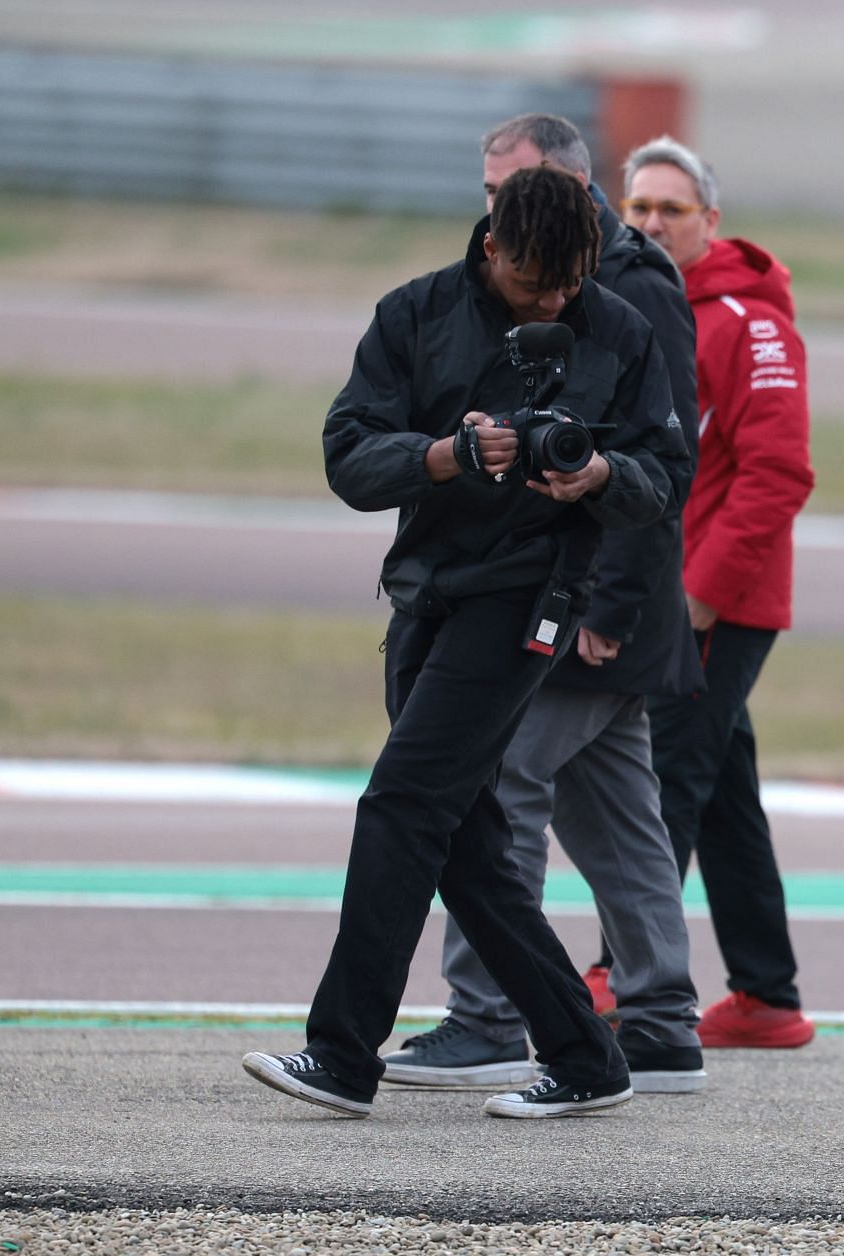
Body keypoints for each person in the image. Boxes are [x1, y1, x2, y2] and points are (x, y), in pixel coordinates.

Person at [241, 165, 692, 1119]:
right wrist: (444, 455)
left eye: (572, 282)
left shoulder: (619, 327)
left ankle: (342, 1055)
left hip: (531, 599)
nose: (556, 299)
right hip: (425, 595)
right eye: (537, 282)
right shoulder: (414, 313)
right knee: (468, 841)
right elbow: (348, 453)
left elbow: (665, 474)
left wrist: (600, 475)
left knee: (401, 805)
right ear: (490, 246)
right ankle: (585, 1056)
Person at [381, 113, 709, 1095]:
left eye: (508, 190)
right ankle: (659, 1023)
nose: (490, 214)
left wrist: (607, 604)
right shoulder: (510, 269)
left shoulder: (630, 284)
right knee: (615, 809)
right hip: (564, 594)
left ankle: (486, 1013)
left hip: (587, 601)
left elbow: (660, 458)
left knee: (495, 785)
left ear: (567, 185)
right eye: (485, 192)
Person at [620, 136, 818, 1049]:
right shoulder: (628, 303)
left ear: (711, 219)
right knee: (723, 788)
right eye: (639, 210)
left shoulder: (751, 321)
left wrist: (701, 595)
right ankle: (767, 997)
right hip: (658, 590)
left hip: (716, 601)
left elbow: (778, 475)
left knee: (664, 780)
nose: (653, 223)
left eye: (671, 209)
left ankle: (622, 975)